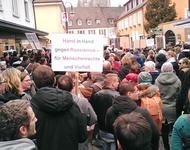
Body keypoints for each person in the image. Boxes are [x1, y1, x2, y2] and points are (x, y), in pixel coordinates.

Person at [31, 65, 87, 150]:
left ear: (34, 84)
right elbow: (82, 136)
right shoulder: (72, 104)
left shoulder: (30, 108)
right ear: (54, 80)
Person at [105, 81, 160, 150]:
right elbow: (155, 133)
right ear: (129, 94)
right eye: (136, 91)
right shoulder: (142, 112)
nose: (138, 93)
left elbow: (109, 128)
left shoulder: (110, 110)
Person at [57, 75, 97, 150]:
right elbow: (93, 119)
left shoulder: (52, 101)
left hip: (59, 139)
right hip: (78, 140)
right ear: (72, 87)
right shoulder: (82, 102)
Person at [155, 62, 181, 150]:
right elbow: (179, 94)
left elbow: (156, 94)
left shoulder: (157, 80)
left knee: (164, 131)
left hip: (161, 107)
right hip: (173, 107)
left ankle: (166, 147)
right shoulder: (177, 80)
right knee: (175, 130)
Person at [90, 73, 120, 150]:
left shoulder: (97, 94)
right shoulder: (117, 96)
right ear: (113, 83)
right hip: (113, 130)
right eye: (117, 82)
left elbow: (93, 110)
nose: (118, 83)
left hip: (101, 128)